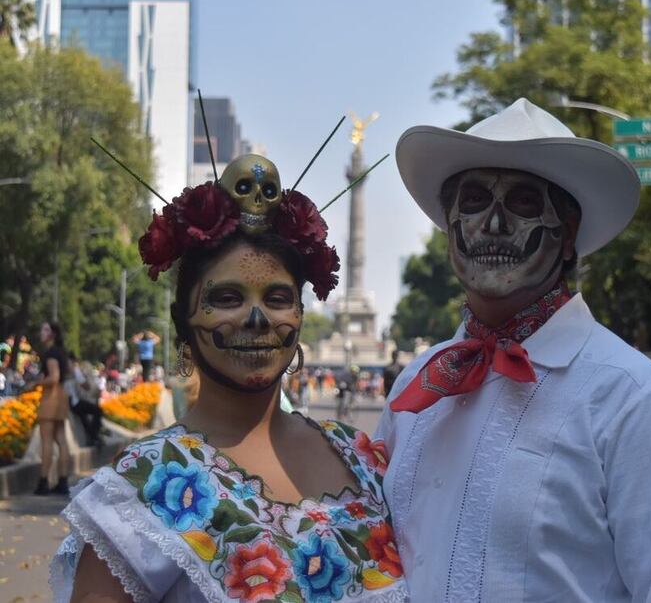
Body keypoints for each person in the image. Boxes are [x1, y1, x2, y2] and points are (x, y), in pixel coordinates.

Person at [376, 98, 651, 601]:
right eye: (472, 202)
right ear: (448, 226)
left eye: (524, 204)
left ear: (569, 235)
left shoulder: (632, 399)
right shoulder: (418, 385)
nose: (492, 225)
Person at [51, 154, 406, 602]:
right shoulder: (141, 487)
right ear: (183, 320)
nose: (256, 318)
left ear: (299, 314)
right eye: (227, 297)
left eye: (277, 297)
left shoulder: (365, 460)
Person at [29, 321, 71, 495]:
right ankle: (62, 481)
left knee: (46, 440)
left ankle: (43, 481)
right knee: (61, 439)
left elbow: (54, 377)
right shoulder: (61, 352)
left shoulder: (51, 353)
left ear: (53, 334)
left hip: (51, 397)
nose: (41, 332)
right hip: (61, 396)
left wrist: (36, 382)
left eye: (45, 330)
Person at [65, 353, 103, 448]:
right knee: (97, 411)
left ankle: (93, 437)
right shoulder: (73, 370)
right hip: (72, 402)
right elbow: (85, 385)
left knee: (84, 416)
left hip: (73, 401)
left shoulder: (70, 371)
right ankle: (94, 436)